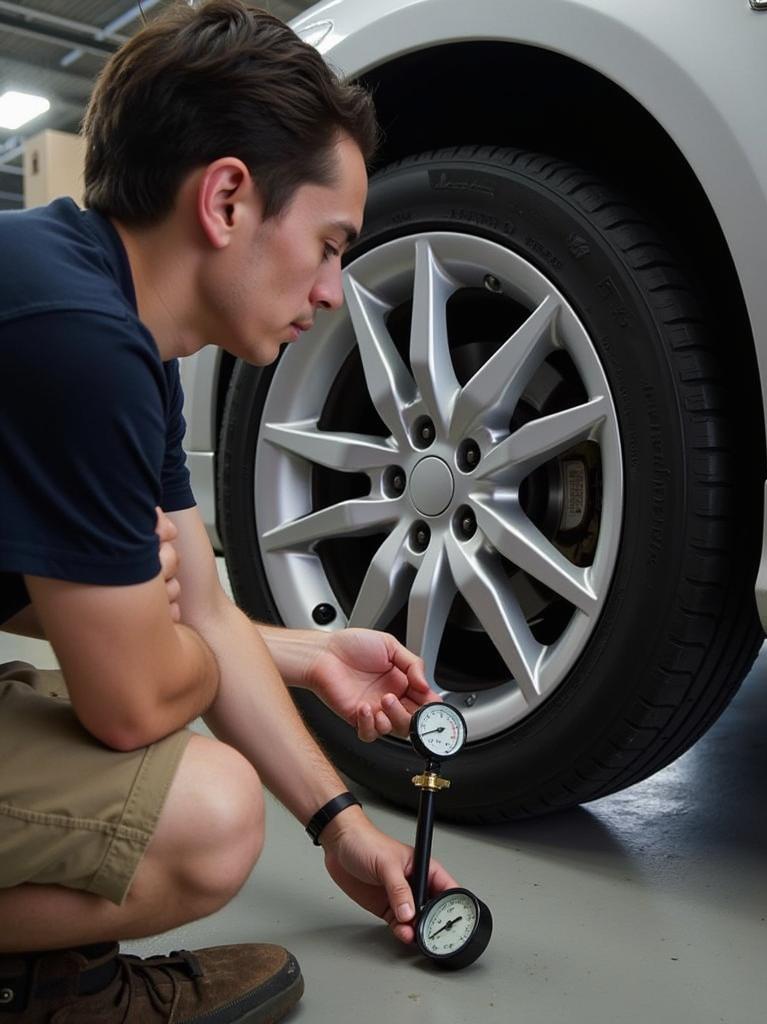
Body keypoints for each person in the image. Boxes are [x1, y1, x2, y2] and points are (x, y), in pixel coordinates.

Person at [0, 2, 457, 1020]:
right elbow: (130, 699)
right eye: (331, 244)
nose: (335, 291)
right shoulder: (76, 339)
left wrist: (340, 819)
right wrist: (168, 640)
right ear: (227, 199)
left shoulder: (117, 333)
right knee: (204, 815)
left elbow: (194, 611)